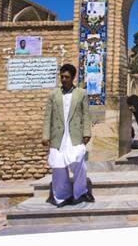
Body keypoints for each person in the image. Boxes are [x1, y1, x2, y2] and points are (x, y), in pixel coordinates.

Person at [42, 64, 94, 207]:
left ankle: (80, 192)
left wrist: (87, 132)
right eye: (62, 77)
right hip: (58, 136)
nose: (64, 80)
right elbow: (48, 116)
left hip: (74, 135)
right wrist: (45, 135)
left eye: (67, 77)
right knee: (58, 167)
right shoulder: (53, 95)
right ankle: (62, 196)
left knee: (78, 163)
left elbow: (86, 115)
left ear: (73, 78)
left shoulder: (80, 93)